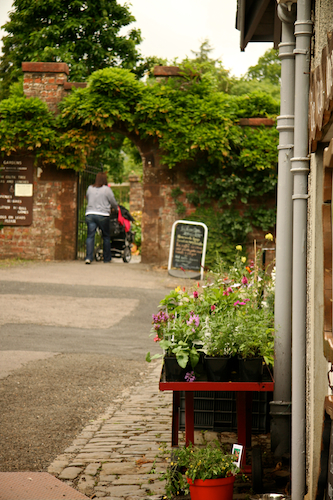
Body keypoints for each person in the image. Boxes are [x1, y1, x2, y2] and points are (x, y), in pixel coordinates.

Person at [85, 172, 118, 264]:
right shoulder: (106, 190)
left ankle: (88, 257)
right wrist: (116, 209)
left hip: (90, 214)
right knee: (106, 236)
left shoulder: (90, 188)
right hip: (103, 215)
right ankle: (107, 258)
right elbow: (113, 201)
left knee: (90, 236)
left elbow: (88, 198)